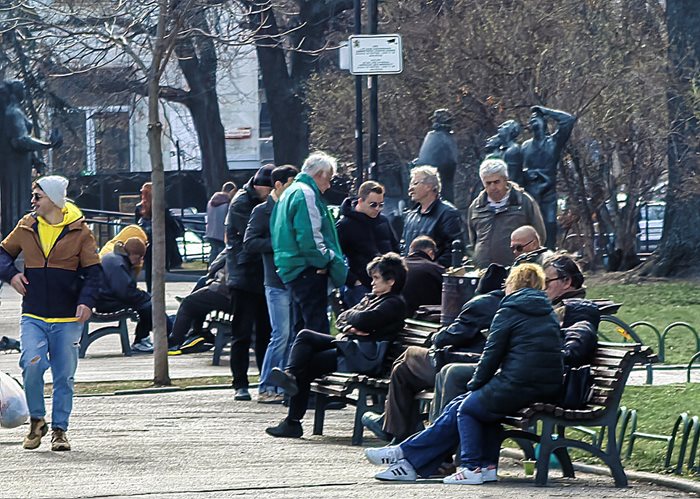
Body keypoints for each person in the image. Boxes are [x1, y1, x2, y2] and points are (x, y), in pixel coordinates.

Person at [366, 263, 563, 485]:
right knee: (465, 404)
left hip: (519, 384)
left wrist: (476, 384)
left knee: (467, 408)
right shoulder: (548, 312)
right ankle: (417, 461)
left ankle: (470, 468)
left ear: (513, 284)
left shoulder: (509, 309)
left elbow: (492, 355)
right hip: (546, 386)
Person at [0, 175, 102, 452]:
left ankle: (60, 430)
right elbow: (2, 254)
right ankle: (37, 421)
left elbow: (94, 273)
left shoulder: (81, 232)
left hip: (68, 318)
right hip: (33, 313)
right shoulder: (26, 226)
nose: (32, 201)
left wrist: (86, 302)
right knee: (31, 365)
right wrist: (12, 276)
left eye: (38, 196)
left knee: (63, 376)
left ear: (54, 200)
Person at [265, 253, 407, 439]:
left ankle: (292, 420)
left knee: (308, 364)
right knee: (305, 336)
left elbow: (363, 319)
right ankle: (291, 377)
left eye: (376, 278)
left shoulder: (393, 303)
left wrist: (355, 323)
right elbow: (342, 317)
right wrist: (352, 326)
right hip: (352, 346)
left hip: (364, 356)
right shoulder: (373, 299)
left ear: (391, 281)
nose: (372, 283)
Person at [362, 263, 506, 443]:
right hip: (474, 364)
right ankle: (400, 435)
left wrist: (436, 337)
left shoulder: (482, 304)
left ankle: (397, 431)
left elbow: (454, 334)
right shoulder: (508, 305)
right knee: (402, 371)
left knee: (409, 355)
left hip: (460, 364)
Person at [270, 151, 348, 335]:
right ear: (320, 174)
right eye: (328, 179)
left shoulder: (289, 192)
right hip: (307, 270)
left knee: (301, 328)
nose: (328, 185)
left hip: (291, 268)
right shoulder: (306, 194)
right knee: (316, 330)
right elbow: (309, 236)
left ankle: (297, 364)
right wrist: (325, 258)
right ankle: (313, 364)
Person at [243, 165, 299, 404]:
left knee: (291, 334)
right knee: (281, 334)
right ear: (278, 185)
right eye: (290, 182)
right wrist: (278, 243)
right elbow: (250, 242)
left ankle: (282, 384)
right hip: (274, 280)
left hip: (292, 278)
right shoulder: (262, 211)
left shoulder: (291, 208)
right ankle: (266, 385)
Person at [227, 165, 274, 401]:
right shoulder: (242, 203)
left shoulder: (261, 202)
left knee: (265, 332)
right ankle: (240, 383)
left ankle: (264, 381)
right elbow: (251, 237)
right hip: (244, 276)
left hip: (260, 275)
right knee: (242, 333)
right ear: (260, 186)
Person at [467, 158, 545, 269]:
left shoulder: (523, 202)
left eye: (497, 182)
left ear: (505, 179)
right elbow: (473, 239)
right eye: (488, 183)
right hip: (484, 272)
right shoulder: (476, 207)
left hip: (517, 271)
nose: (493, 187)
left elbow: (539, 236)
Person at [336, 180, 399, 308]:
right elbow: (335, 257)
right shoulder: (345, 225)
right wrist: (353, 281)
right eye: (373, 204)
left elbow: (395, 249)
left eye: (381, 205)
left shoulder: (383, 220)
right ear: (360, 201)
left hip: (386, 284)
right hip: (361, 285)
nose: (377, 209)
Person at [521, 106, 576, 249]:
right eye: (531, 119)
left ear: (545, 122)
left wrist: (546, 111)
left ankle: (549, 254)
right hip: (531, 193)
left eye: (537, 118)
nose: (533, 120)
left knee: (550, 224)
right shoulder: (525, 146)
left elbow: (568, 120)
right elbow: (519, 171)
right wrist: (526, 174)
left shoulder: (553, 143)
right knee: (530, 226)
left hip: (548, 194)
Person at [97, 237, 156, 353]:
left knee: (149, 304)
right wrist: (145, 296)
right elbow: (125, 292)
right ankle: (141, 340)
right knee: (148, 306)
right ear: (133, 254)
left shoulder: (115, 258)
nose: (141, 261)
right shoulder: (118, 264)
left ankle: (145, 338)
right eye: (139, 257)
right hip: (107, 302)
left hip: (105, 298)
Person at [167, 248, 232, 353]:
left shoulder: (235, 246)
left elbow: (214, 266)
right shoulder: (245, 244)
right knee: (200, 295)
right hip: (235, 294)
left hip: (229, 294)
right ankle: (196, 333)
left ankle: (175, 342)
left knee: (189, 303)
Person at [402, 165, 463, 267]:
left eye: (415, 183)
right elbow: (403, 246)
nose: (410, 188)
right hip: (411, 276)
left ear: (429, 186)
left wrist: (431, 269)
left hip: (434, 277)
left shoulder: (448, 213)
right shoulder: (410, 216)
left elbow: (454, 250)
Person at [135, 182, 183, 292]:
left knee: (148, 269)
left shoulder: (140, 208)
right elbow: (169, 223)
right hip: (161, 240)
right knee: (159, 269)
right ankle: (157, 292)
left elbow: (136, 225)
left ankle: (150, 292)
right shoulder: (161, 206)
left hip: (147, 240)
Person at [401, 236, 444, 317]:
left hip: (398, 314)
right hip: (426, 317)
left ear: (411, 250)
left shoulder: (397, 265)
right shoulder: (436, 269)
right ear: (431, 253)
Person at [484, 119, 524, 186]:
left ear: (511, 130)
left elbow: (511, 177)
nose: (499, 127)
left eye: (504, 125)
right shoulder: (501, 150)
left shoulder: (513, 150)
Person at [205, 181, 236, 265]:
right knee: (222, 255)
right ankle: (218, 272)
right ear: (231, 191)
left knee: (213, 252)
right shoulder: (227, 204)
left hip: (210, 232)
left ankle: (211, 270)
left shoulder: (210, 202)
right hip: (222, 233)